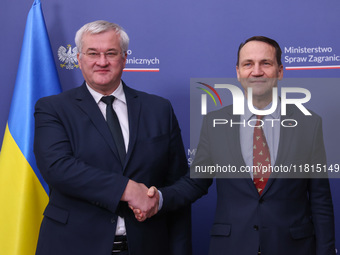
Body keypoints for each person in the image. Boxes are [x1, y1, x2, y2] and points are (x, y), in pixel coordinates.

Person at [145, 36, 336, 255]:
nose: (256, 72)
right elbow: (195, 183)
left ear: (280, 71)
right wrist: (159, 198)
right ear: (238, 72)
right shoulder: (215, 122)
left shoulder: (309, 123)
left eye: (266, 63)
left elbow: (321, 199)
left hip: (293, 247)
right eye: (248, 64)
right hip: (232, 246)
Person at [34, 20, 191, 255]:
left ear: (125, 57)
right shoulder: (52, 108)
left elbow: (179, 183)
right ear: (79, 58)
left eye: (111, 53)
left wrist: (157, 199)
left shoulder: (159, 109)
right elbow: (57, 167)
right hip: (72, 246)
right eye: (92, 53)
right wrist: (127, 189)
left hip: (147, 246)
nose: (102, 61)